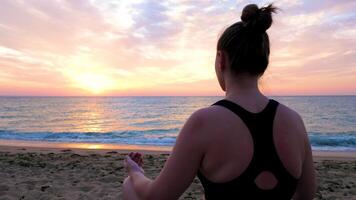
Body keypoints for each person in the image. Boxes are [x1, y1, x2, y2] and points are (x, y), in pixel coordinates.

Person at [123, 3, 316, 200]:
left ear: (221, 59)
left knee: (131, 186)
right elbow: (306, 195)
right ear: (263, 64)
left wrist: (135, 172)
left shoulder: (204, 122)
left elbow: (155, 197)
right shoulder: (294, 121)